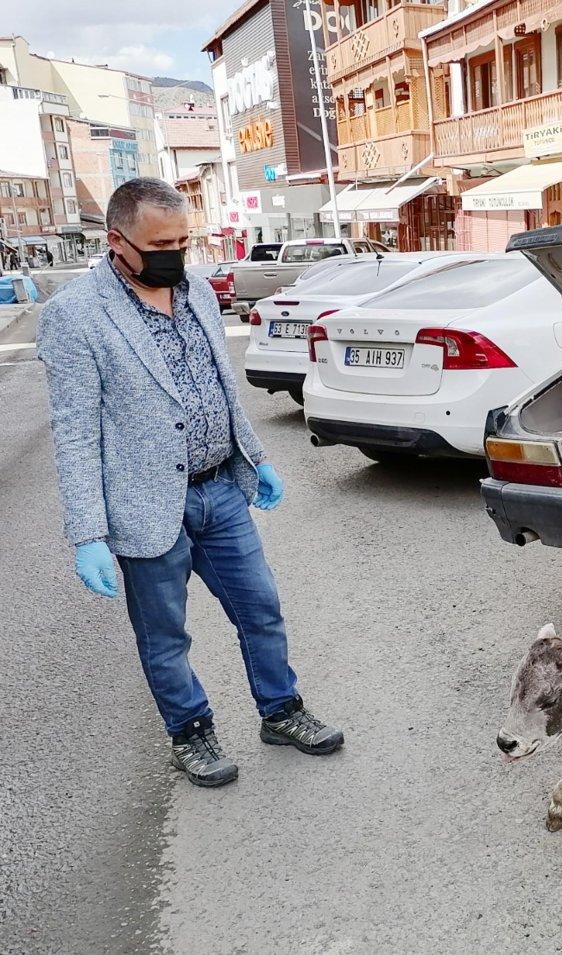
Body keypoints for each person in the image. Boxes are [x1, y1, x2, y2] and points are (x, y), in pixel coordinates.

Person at [38, 178, 343, 788]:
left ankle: (280, 711)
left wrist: (256, 459)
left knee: (260, 611)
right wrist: (87, 534)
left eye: (183, 241)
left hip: (220, 492)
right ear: (116, 240)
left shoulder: (196, 290)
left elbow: (221, 391)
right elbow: (75, 434)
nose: (174, 254)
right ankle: (190, 733)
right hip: (145, 507)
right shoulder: (74, 317)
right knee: (166, 637)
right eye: (160, 243)